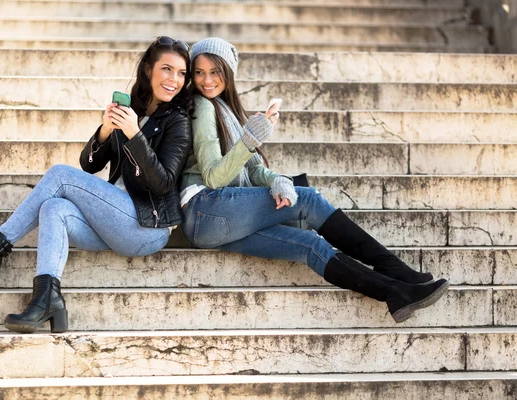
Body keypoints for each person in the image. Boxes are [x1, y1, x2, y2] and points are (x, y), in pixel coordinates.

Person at [179, 37, 448, 323]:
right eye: (199, 72)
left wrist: (277, 181)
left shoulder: (227, 110)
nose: (207, 80)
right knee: (307, 198)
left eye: (215, 71)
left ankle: (395, 292)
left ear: (229, 72)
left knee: (309, 244)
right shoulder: (203, 107)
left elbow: (255, 169)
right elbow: (213, 176)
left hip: (219, 221)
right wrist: (249, 139)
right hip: (205, 207)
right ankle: (399, 271)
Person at [0, 36, 193, 333]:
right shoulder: (133, 110)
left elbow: (162, 184)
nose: (174, 79)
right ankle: (47, 299)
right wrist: (107, 131)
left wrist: (135, 136)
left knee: (59, 174)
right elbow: (90, 165)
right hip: (113, 220)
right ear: (148, 70)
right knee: (54, 208)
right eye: (166, 69)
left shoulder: (178, 121)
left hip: (146, 227)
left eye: (181, 73)